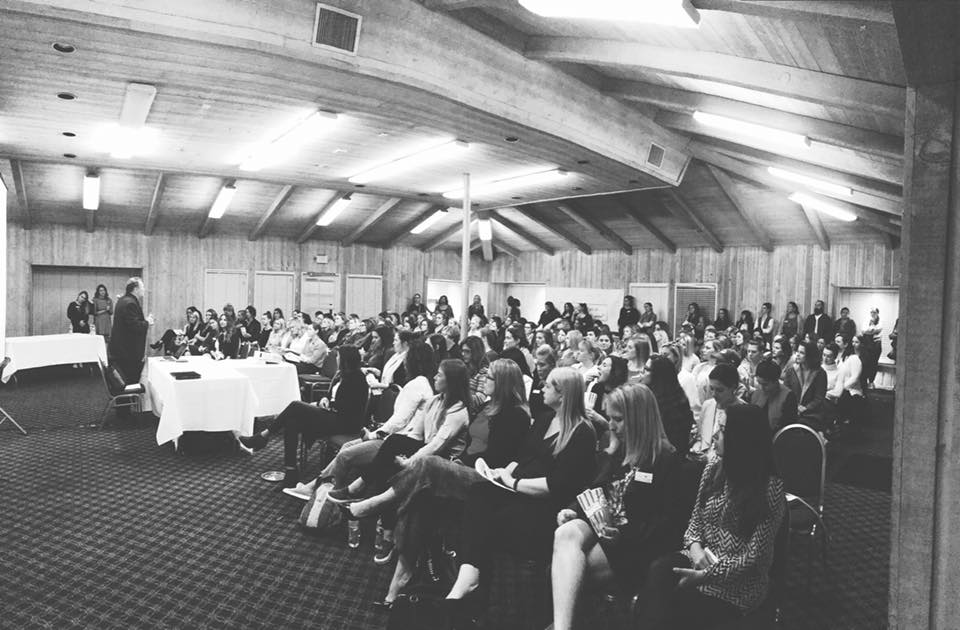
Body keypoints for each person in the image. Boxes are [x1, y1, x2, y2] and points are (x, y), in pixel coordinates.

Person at [346, 358, 532, 604]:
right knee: (421, 500)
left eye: (489, 378)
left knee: (428, 463)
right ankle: (398, 582)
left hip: (487, 479)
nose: (483, 382)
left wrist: (459, 463)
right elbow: (469, 445)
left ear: (503, 383)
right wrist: (458, 461)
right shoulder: (488, 407)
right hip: (467, 467)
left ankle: (376, 503)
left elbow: (496, 456)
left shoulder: (515, 415)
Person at [443, 367, 597, 604]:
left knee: (490, 518)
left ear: (563, 394)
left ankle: (479, 589)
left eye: (548, 385)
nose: (542, 388)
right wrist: (504, 472)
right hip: (519, 488)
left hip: (545, 505)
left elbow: (556, 486)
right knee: (479, 493)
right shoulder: (546, 418)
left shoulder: (582, 433)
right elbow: (522, 456)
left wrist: (514, 482)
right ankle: (469, 572)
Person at [636, 405, 786, 630]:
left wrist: (707, 575)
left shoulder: (769, 488)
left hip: (738, 582)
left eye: (723, 430)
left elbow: (754, 557)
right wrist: (695, 550)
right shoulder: (713, 468)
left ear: (742, 439)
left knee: (677, 607)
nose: (714, 434)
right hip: (701, 557)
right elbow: (695, 522)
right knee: (659, 571)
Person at [550, 384, 684, 630]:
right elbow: (596, 490)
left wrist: (624, 535)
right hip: (604, 529)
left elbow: (669, 524)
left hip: (634, 545)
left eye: (618, 419)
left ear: (639, 419)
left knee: (570, 570)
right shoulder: (617, 451)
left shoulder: (666, 459)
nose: (610, 426)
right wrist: (573, 510)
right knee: (565, 533)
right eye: (610, 418)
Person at [239, 346, 369, 486]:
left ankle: (264, 436)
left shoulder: (358, 379)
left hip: (344, 422)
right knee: (292, 422)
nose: (336, 359)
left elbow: (348, 407)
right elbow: (330, 395)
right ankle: (291, 471)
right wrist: (324, 399)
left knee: (295, 406)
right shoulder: (341, 375)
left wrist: (324, 404)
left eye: (338, 357)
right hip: (332, 415)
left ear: (346, 360)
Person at [691, 363, 745, 459]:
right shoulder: (707, 405)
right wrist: (697, 450)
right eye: (711, 389)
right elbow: (700, 437)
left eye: (719, 390)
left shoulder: (743, 411)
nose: (714, 394)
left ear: (733, 388)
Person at [644, 356, 694, 455]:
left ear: (658, 374)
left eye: (647, 369)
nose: (643, 373)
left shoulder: (676, 404)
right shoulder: (647, 394)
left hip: (667, 455)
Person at [108, 278, 153, 384]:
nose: (144, 289)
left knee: (125, 380)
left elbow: (130, 323)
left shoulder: (123, 300)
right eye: (142, 287)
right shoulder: (130, 303)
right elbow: (135, 327)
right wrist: (147, 322)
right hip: (128, 353)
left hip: (121, 350)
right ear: (136, 289)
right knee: (131, 381)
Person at [783, 341, 828, 431]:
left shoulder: (820, 373)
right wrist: (795, 407)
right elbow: (786, 392)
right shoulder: (791, 371)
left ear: (810, 355)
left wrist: (805, 408)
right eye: (797, 351)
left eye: (802, 353)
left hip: (812, 413)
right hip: (792, 409)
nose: (797, 355)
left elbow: (819, 398)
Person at [750, 359, 798, 433]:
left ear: (775, 381)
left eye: (765, 384)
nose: (761, 388)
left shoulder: (788, 397)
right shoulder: (757, 393)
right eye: (759, 383)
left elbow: (788, 428)